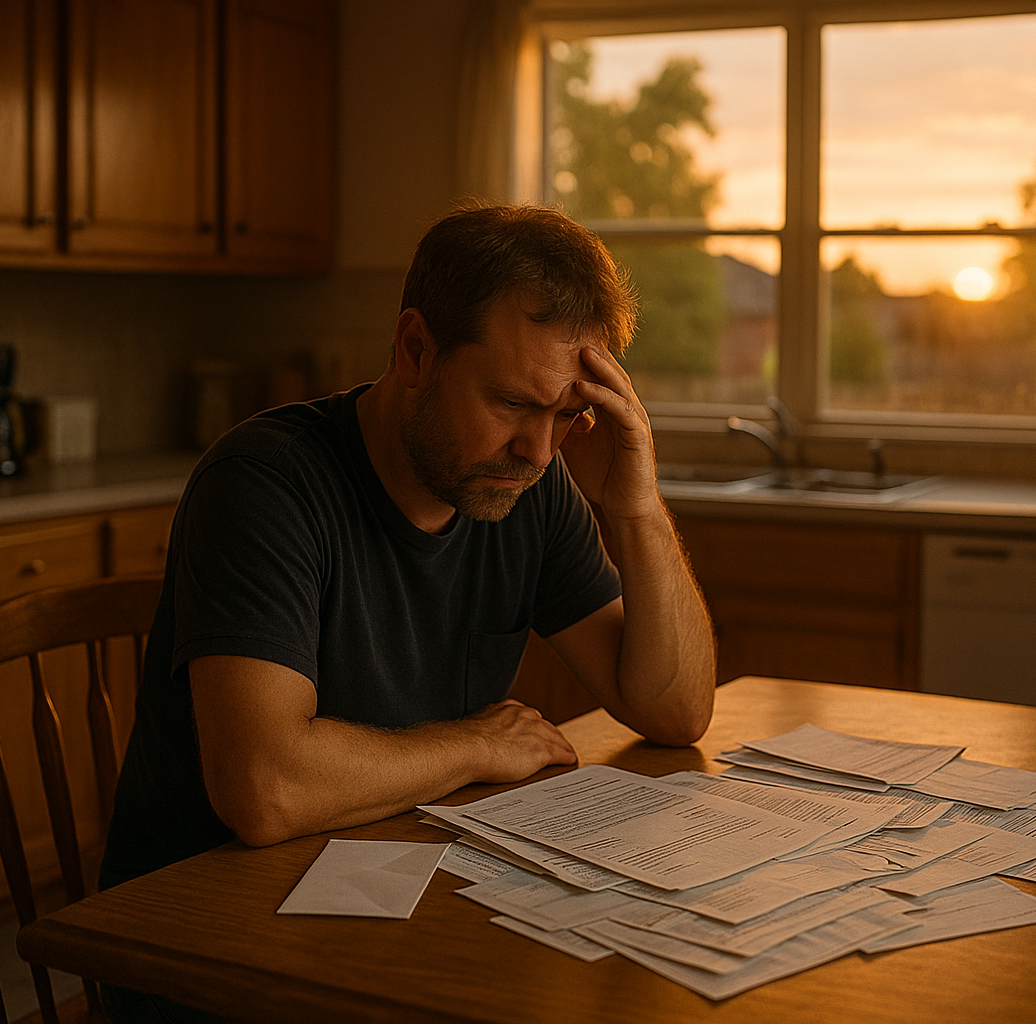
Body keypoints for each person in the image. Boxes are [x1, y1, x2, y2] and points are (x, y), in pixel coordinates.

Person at [98, 202, 715, 1021]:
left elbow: (677, 710)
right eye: (511, 404)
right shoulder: (265, 484)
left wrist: (634, 506)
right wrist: (474, 745)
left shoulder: (525, 484)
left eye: (566, 415)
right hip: (209, 957)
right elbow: (265, 788)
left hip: (391, 910)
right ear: (416, 349)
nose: (538, 450)